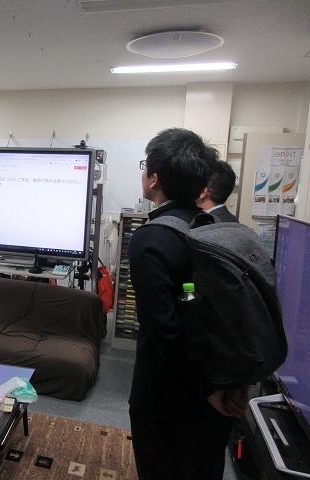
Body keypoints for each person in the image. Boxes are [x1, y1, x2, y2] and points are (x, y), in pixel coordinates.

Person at [127, 128, 249, 480]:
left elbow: (164, 332)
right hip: (221, 386)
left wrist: (207, 391)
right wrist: (223, 386)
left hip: (168, 398)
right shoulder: (219, 227)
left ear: (154, 179)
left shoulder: (151, 238)